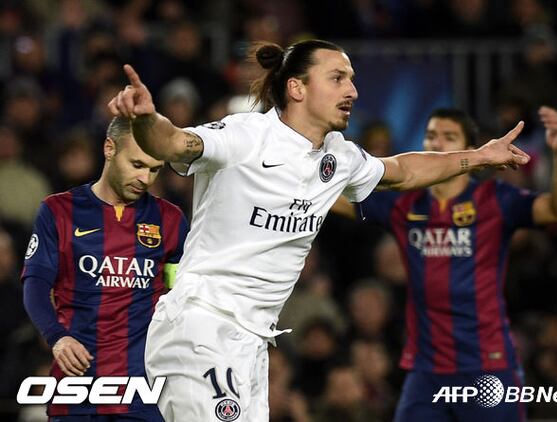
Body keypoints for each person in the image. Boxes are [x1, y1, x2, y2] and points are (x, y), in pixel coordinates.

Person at [108, 39, 530, 421]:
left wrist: (478, 156)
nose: (353, 91)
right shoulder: (246, 135)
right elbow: (174, 142)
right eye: (338, 78)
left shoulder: (339, 156)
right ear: (297, 88)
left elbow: (403, 171)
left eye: (352, 79)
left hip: (252, 340)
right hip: (202, 327)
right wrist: (146, 119)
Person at [331, 107, 557, 421]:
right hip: (426, 369)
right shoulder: (403, 202)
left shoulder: (495, 199)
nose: (437, 143)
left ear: (470, 150)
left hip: (487, 365)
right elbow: (330, 198)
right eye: (431, 135)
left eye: (449, 137)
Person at [20, 116, 189, 421]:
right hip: (77, 386)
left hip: (144, 390)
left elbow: (182, 295)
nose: (145, 178)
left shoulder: (171, 220)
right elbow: (35, 284)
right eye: (137, 164)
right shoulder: (58, 211)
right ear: (110, 148)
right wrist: (57, 337)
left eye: (154, 169)